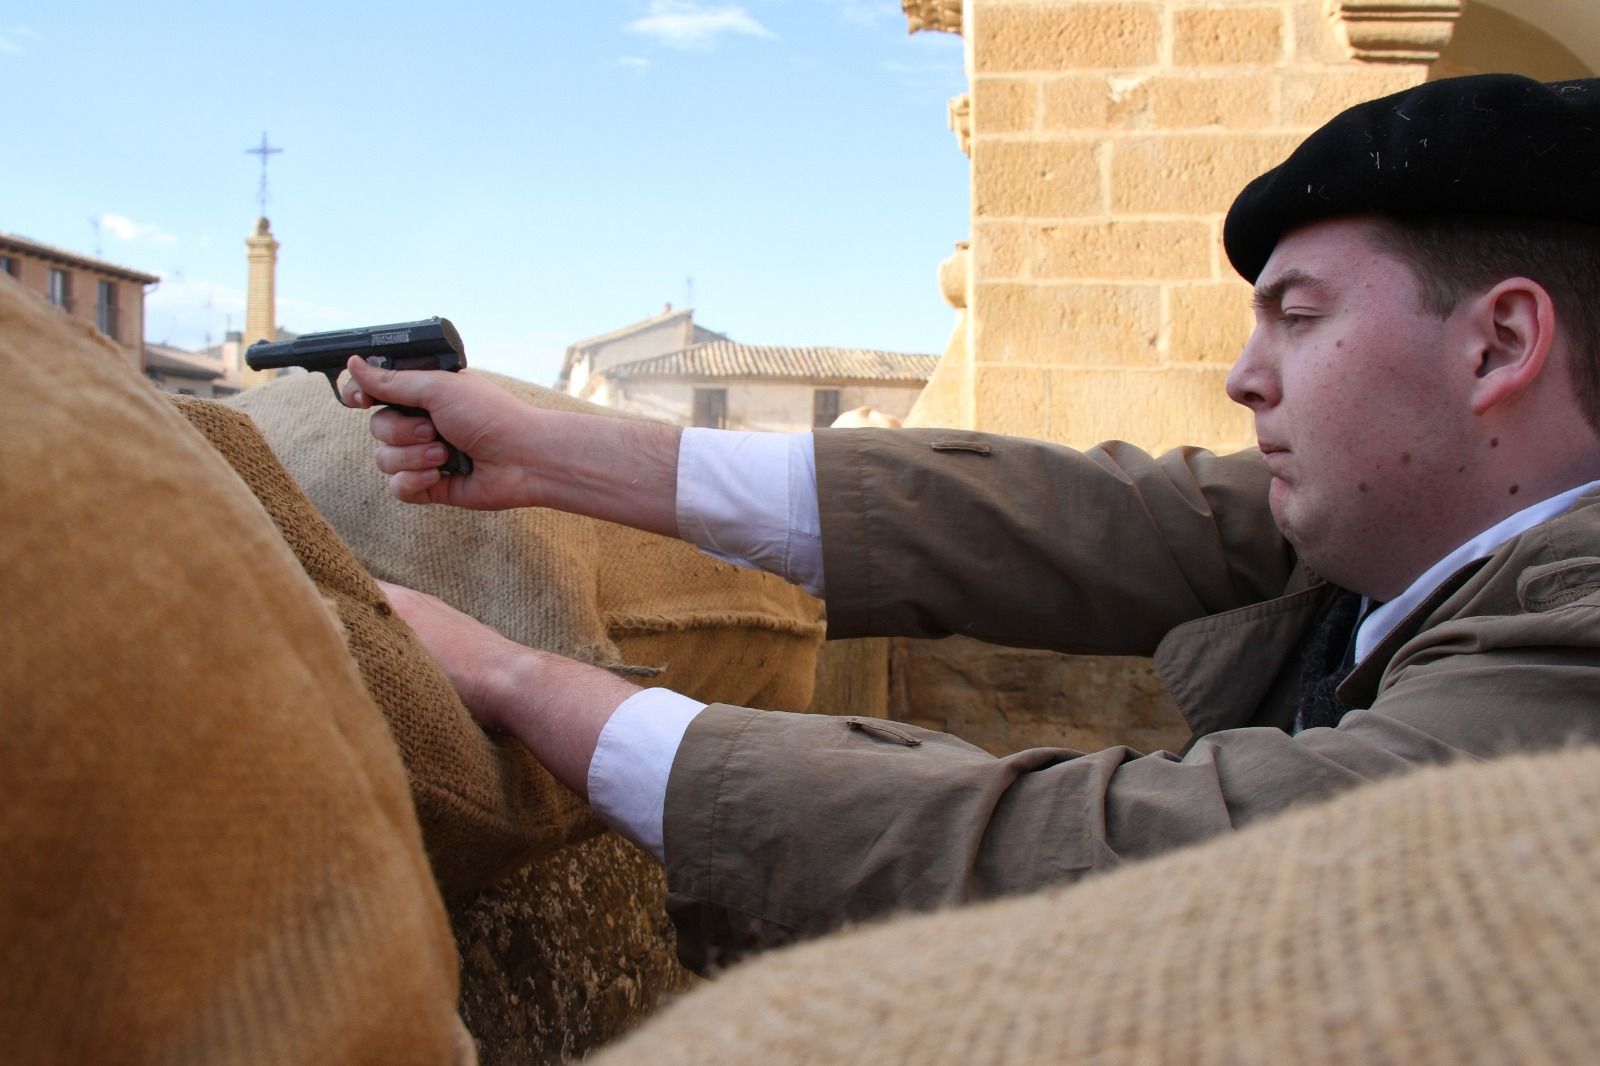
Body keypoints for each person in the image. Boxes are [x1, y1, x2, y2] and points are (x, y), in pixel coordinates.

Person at [343, 73, 1600, 968]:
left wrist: (517, 680)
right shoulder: (1413, 525)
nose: (1242, 375)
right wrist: (552, 451)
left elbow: (1127, 861)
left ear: (1498, 342)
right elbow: (1056, 518)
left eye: (1302, 317)